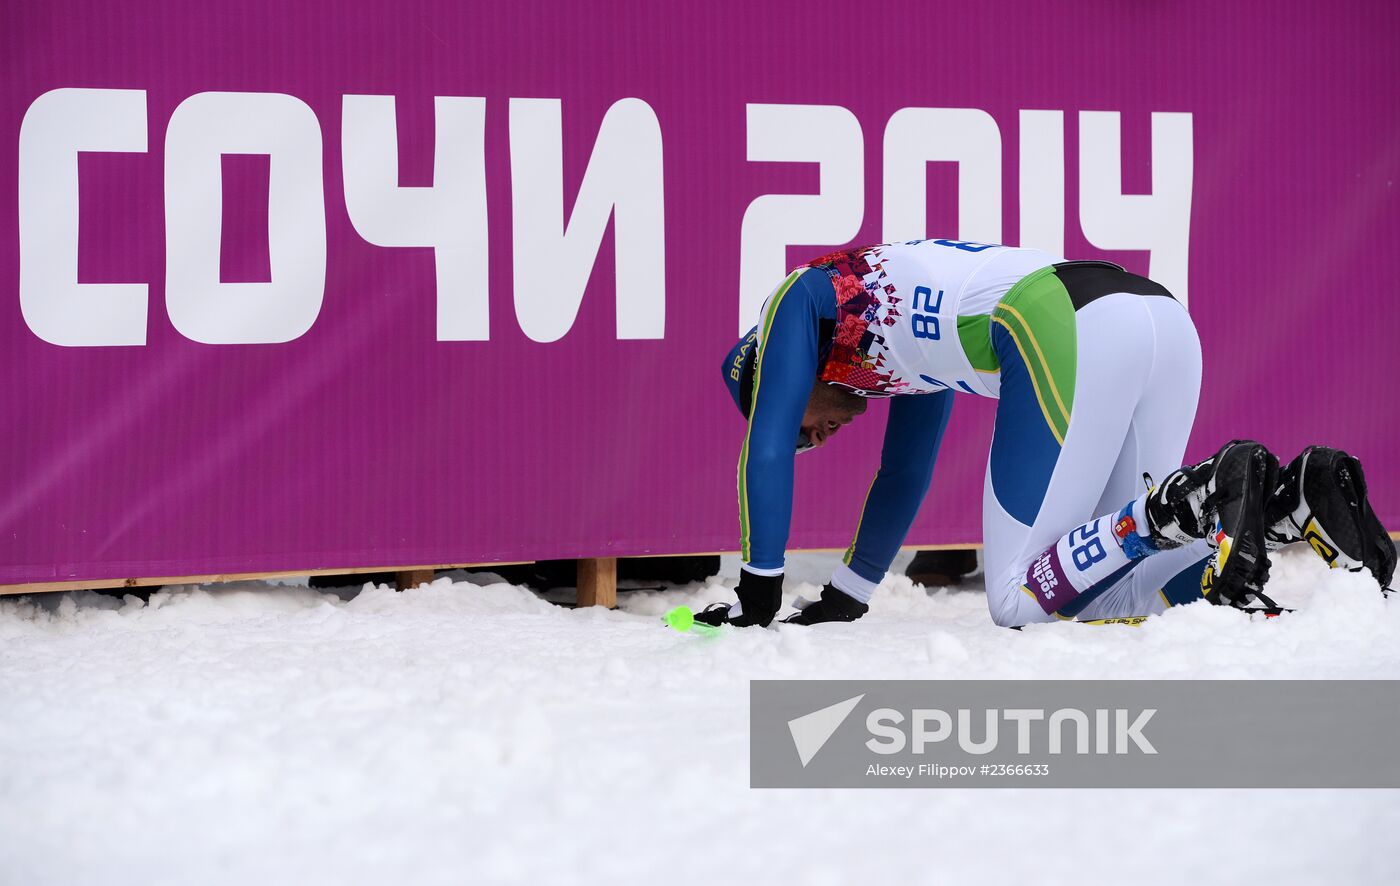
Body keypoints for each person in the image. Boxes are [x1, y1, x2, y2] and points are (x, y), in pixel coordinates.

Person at [704, 238, 1394, 628]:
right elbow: (903, 472)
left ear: (778, 375)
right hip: (1155, 317)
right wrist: (847, 594)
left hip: (1065, 322)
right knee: (1113, 588)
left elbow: (763, 447)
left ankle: (1187, 497)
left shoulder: (802, 299)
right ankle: (1286, 506)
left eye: (798, 423)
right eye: (805, 443)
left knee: (1014, 600)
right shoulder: (894, 354)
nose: (808, 439)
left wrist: (759, 590)